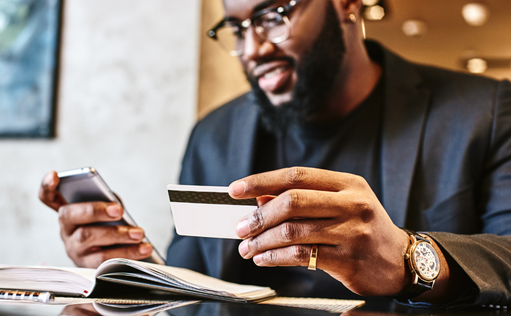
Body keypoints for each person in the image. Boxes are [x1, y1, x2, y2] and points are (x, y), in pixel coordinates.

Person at [39, 0, 511, 308]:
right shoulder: (214, 133)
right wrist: (131, 274)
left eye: (272, 16)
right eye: (236, 28)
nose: (253, 48)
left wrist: (409, 257)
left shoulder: (482, 111)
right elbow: (195, 286)